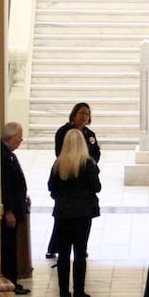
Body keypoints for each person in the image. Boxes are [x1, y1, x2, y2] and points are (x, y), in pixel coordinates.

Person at [47, 127, 101, 297]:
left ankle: (63, 292)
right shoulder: (87, 164)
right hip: (82, 213)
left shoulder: (58, 164)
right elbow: (97, 187)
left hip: (63, 212)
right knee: (80, 252)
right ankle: (79, 292)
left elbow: (51, 187)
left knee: (63, 253)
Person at [45, 102, 101, 260]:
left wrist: (89, 165)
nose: (84, 116)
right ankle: (54, 246)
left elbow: (96, 153)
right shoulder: (64, 132)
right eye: (81, 113)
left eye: (87, 114)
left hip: (82, 188)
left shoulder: (90, 135)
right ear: (74, 114)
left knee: (79, 245)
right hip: (67, 179)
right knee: (61, 226)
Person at [0, 122, 31, 296]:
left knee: (12, 246)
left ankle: (13, 280)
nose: (21, 140)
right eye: (19, 137)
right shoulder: (3, 155)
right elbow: (5, 185)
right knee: (9, 248)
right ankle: (10, 281)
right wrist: (9, 211)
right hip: (9, 213)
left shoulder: (8, 154)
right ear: (11, 137)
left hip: (15, 209)